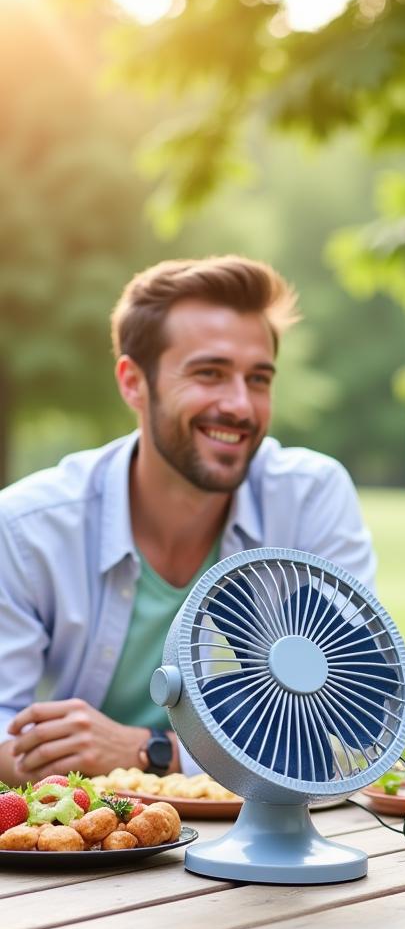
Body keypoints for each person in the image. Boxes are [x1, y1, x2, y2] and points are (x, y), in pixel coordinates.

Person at [0, 255, 375, 784]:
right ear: (133, 382)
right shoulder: (26, 528)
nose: (241, 406)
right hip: (87, 840)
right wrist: (52, 753)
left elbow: (346, 720)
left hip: (257, 836)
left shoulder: (310, 497)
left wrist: (151, 752)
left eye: (259, 379)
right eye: (209, 374)